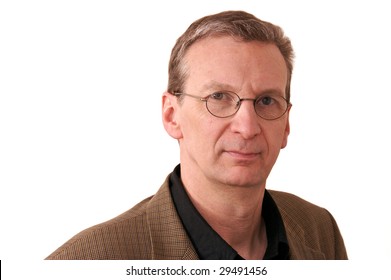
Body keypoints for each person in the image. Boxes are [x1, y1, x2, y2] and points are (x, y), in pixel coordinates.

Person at [46, 10, 347, 260]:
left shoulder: (320, 230)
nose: (247, 126)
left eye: (266, 101)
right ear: (171, 116)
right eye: (218, 97)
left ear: (286, 124)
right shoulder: (86, 260)